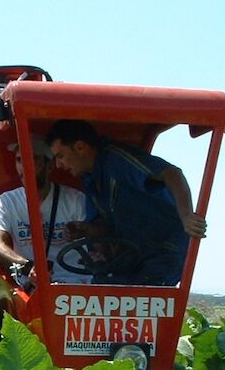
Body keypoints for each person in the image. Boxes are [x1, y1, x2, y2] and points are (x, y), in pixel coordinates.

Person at [46, 119, 207, 286]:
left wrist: (187, 216)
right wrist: (88, 230)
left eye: (60, 156)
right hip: (131, 255)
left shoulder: (117, 158)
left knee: (138, 299)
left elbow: (172, 174)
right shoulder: (90, 178)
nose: (58, 165)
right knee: (103, 289)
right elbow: (104, 226)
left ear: (80, 147)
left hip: (163, 250)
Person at [0, 142, 90, 287]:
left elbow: (97, 245)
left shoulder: (75, 200)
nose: (25, 166)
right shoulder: (5, 202)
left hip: (75, 283)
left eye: (33, 159)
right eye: (19, 160)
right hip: (29, 285)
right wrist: (28, 267)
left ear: (50, 166)